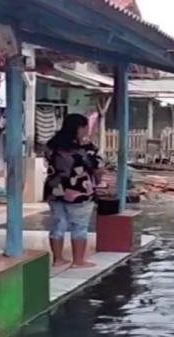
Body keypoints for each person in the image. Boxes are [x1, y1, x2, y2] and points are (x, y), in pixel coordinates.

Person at [44, 114, 103, 269]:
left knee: (58, 223)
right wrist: (97, 181)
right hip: (79, 189)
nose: (87, 131)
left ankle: (57, 259)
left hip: (55, 188)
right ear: (81, 128)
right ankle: (78, 261)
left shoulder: (52, 144)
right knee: (79, 226)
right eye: (85, 127)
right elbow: (98, 168)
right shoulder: (87, 148)